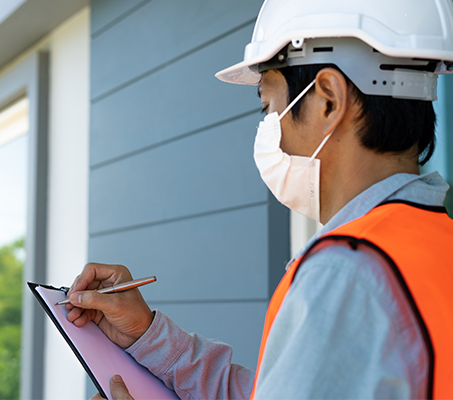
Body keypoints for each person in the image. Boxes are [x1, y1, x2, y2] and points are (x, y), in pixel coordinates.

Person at [65, 0, 453, 398]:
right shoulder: (434, 243)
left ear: (327, 101)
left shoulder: (348, 271)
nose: (269, 130)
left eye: (269, 107)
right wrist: (149, 335)